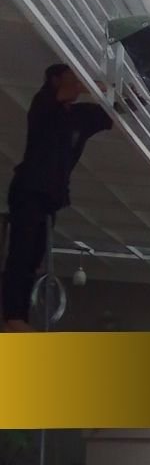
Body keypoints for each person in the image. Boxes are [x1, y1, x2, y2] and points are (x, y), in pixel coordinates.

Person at [2, 64, 116, 332]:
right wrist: (97, 85)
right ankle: (13, 317)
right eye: (72, 78)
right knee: (22, 254)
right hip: (29, 190)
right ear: (54, 80)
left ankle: (18, 318)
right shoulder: (43, 104)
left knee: (34, 258)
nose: (77, 84)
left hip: (49, 197)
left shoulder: (78, 116)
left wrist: (125, 94)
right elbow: (69, 91)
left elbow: (111, 114)